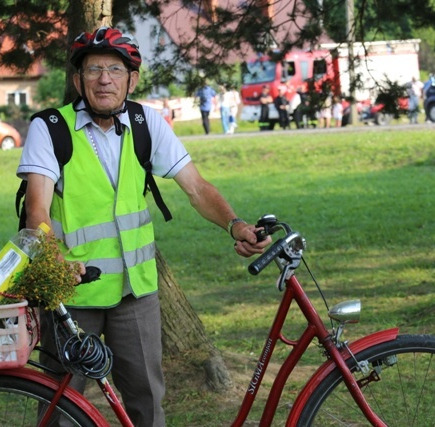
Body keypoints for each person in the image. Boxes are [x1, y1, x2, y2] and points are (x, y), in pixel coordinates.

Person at [16, 26, 269, 427]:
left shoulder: (145, 122)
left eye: (115, 69)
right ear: (78, 79)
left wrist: (235, 224)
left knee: (147, 403)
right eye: (94, 69)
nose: (104, 79)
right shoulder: (50, 129)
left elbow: (197, 187)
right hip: (73, 292)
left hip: (136, 293)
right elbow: (37, 213)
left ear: (131, 79)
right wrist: (55, 263)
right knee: (61, 408)